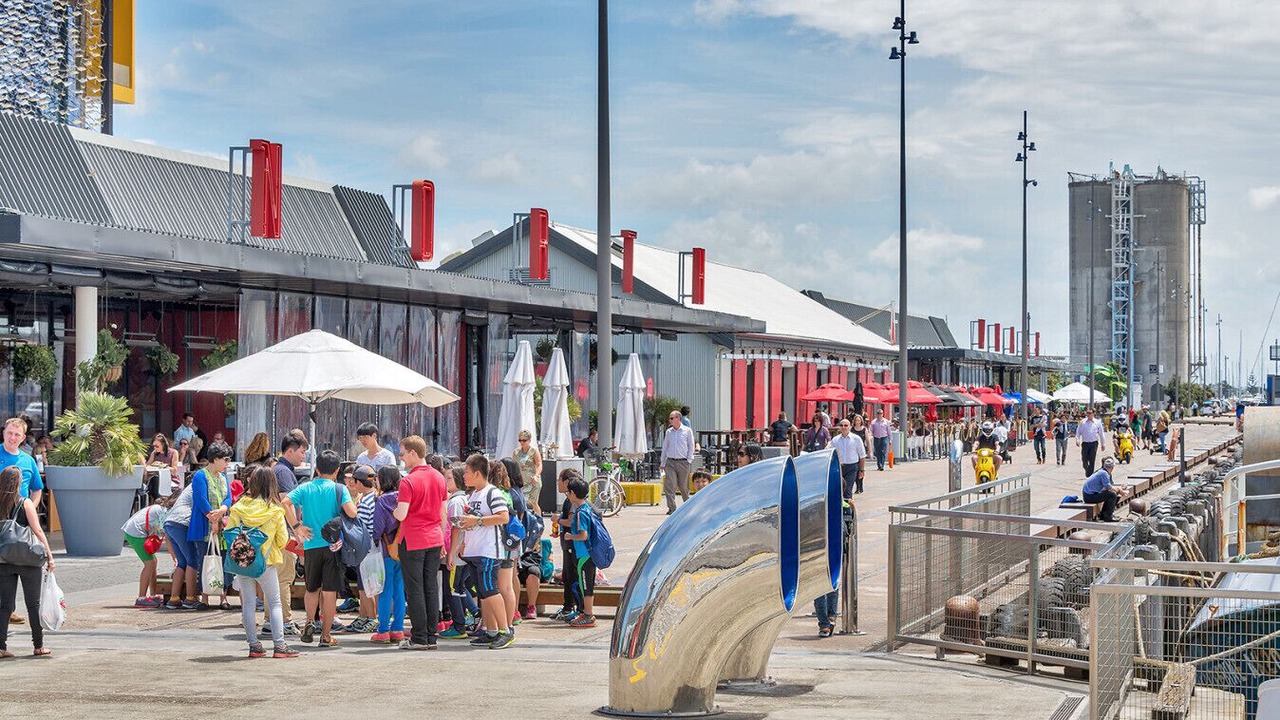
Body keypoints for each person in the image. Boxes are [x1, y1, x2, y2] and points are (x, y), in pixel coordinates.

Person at [283, 449, 358, 647]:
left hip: (311, 544)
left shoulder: (305, 487)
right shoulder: (339, 489)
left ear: (316, 469)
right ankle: (325, 635)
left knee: (311, 588)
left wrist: (296, 526)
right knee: (330, 590)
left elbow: (285, 502)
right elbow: (352, 513)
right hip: (333, 546)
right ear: (336, 470)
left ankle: (309, 621)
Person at [226, 466, 298, 658]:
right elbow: (282, 541)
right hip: (267, 562)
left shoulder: (239, 507)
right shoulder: (275, 510)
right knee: (274, 603)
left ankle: (254, 645)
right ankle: (280, 646)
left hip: (242, 562)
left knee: (248, 603)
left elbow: (230, 533)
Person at [451, 454, 514, 649]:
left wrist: (476, 521)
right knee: (484, 593)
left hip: (489, 551)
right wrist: (464, 540)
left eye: (467, 472)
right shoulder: (473, 495)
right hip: (474, 550)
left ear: (477, 473)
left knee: (490, 591)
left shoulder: (492, 493)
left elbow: (503, 517)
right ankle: (491, 631)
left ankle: (505, 630)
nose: (464, 476)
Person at [391, 435, 447, 650]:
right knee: (430, 587)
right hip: (434, 537)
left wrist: (393, 510)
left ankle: (419, 637)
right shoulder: (439, 477)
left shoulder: (408, 481)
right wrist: (442, 539)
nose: (401, 458)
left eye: (403, 454)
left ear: (413, 453)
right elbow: (443, 513)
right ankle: (430, 636)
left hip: (413, 539)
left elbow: (401, 514)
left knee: (415, 589)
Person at [0, 466, 54, 658]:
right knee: (33, 604)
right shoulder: (25, 503)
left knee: (5, 605)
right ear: (17, 483)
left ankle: (1, 647)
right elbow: (38, 530)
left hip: (4, 559)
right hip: (28, 559)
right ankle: (38, 646)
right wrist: (49, 555)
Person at [266, 432, 306, 635]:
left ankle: (271, 621)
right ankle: (284, 621)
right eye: (301, 452)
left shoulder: (279, 469)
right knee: (284, 578)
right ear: (290, 451)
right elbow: (285, 503)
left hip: (275, 532)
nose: (303, 456)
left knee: (276, 578)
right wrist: (297, 528)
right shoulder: (283, 472)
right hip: (282, 533)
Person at [187, 440, 234, 609]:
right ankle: (204, 597)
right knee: (204, 560)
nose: (227, 463)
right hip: (203, 526)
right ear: (215, 459)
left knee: (223, 560)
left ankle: (223, 598)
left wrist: (222, 510)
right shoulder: (200, 476)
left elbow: (228, 497)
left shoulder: (223, 477)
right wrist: (212, 518)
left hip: (221, 525)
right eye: (225, 459)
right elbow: (200, 499)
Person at [440, 463, 480, 639]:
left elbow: (457, 528)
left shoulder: (456, 501)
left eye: (449, 478)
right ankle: (472, 614)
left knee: (454, 588)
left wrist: (451, 553)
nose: (446, 481)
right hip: (463, 551)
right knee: (460, 586)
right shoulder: (463, 499)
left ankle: (459, 625)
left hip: (457, 553)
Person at [121, 492, 176, 608]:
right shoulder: (165, 512)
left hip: (133, 530)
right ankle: (141, 598)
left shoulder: (161, 509)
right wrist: (174, 558)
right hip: (135, 533)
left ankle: (153, 595)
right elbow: (168, 538)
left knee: (153, 562)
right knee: (149, 564)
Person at [341, 465, 379, 632]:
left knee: (366, 587)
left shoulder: (364, 503)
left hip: (365, 550)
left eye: (354, 481)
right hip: (374, 548)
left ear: (359, 483)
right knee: (368, 586)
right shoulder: (373, 498)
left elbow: (359, 530)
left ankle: (371, 618)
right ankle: (364, 616)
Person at [371, 465, 405, 643]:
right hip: (403, 549)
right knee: (399, 590)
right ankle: (398, 629)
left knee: (385, 590)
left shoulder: (382, 500)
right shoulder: (403, 497)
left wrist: (374, 539)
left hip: (386, 550)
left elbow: (377, 528)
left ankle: (383, 630)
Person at [564, 474, 597, 628]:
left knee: (586, 586)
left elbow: (583, 535)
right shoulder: (586, 508)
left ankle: (588, 615)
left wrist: (571, 536)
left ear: (573, 493)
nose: (567, 495)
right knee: (586, 585)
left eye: (568, 492)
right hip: (588, 555)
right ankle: (586, 613)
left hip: (584, 555)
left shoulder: (580, 513)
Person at [550, 469, 582, 622]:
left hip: (572, 544)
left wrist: (557, 520)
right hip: (568, 543)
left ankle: (575, 608)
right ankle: (568, 607)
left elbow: (571, 521)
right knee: (568, 576)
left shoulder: (572, 500)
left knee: (571, 576)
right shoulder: (569, 499)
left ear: (567, 482)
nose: (557, 483)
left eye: (559, 480)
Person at [660, 410, 694, 515]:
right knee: (670, 485)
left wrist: (689, 460)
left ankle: (687, 507)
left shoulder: (687, 431)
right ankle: (672, 508)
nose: (670, 420)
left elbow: (691, 445)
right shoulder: (669, 432)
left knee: (683, 487)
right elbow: (665, 447)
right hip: (670, 462)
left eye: (671, 418)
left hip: (683, 462)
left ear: (678, 418)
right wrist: (662, 462)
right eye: (669, 418)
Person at [1, 418, 41, 507]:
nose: (12, 437)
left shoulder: (29, 460)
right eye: (9, 433)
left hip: (19, 513)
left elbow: (37, 489)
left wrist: (29, 510)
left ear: (23, 438)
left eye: (17, 434)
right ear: (4, 433)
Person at [1082, 457, 1130, 522]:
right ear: (1112, 468)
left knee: (1112, 494)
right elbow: (1108, 487)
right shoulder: (1104, 473)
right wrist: (1120, 491)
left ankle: (1104, 515)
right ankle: (1108, 516)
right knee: (1112, 495)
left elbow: (1107, 487)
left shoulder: (1102, 471)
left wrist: (1119, 489)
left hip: (1089, 495)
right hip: (1089, 496)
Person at [832, 420, 868, 497]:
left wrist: (861, 470)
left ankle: (848, 504)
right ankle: (843, 505)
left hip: (852, 468)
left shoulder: (856, 439)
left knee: (847, 490)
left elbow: (862, 456)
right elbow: (831, 453)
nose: (843, 427)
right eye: (841, 425)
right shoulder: (835, 440)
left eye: (846, 425)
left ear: (850, 427)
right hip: (839, 468)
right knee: (838, 490)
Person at [512, 429, 543, 515]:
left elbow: (539, 464)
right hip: (521, 482)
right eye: (520, 440)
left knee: (533, 502)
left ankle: (539, 520)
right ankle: (526, 520)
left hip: (533, 481)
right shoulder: (516, 452)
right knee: (522, 503)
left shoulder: (534, 451)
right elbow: (513, 466)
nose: (522, 442)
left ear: (529, 440)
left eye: (524, 440)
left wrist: (536, 475)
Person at [145, 433, 181, 500]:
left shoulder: (173, 452)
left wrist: (162, 466)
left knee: (155, 482)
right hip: (156, 480)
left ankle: (159, 500)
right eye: (153, 446)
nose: (155, 448)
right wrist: (152, 466)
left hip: (170, 479)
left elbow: (174, 470)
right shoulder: (154, 453)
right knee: (154, 480)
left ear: (163, 444)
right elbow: (147, 466)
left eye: (157, 446)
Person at [1076, 409, 1106, 477]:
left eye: (1090, 413)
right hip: (1085, 443)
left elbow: (1101, 434)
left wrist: (1103, 444)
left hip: (1094, 443)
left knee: (1092, 459)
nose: (1088, 414)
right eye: (1087, 413)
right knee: (1084, 459)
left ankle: (1090, 475)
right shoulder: (1083, 422)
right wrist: (1077, 440)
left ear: (1093, 414)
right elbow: (1078, 432)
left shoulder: (1097, 422)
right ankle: (1087, 469)